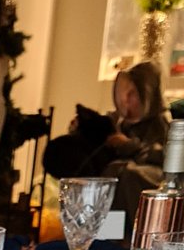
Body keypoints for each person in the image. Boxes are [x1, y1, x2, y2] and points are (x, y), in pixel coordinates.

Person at [44, 61, 170, 212]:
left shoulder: (161, 123)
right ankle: (100, 228)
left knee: (126, 174)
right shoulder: (119, 120)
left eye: (133, 94)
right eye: (125, 93)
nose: (126, 99)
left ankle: (127, 231)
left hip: (152, 181)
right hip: (114, 174)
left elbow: (165, 158)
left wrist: (129, 145)